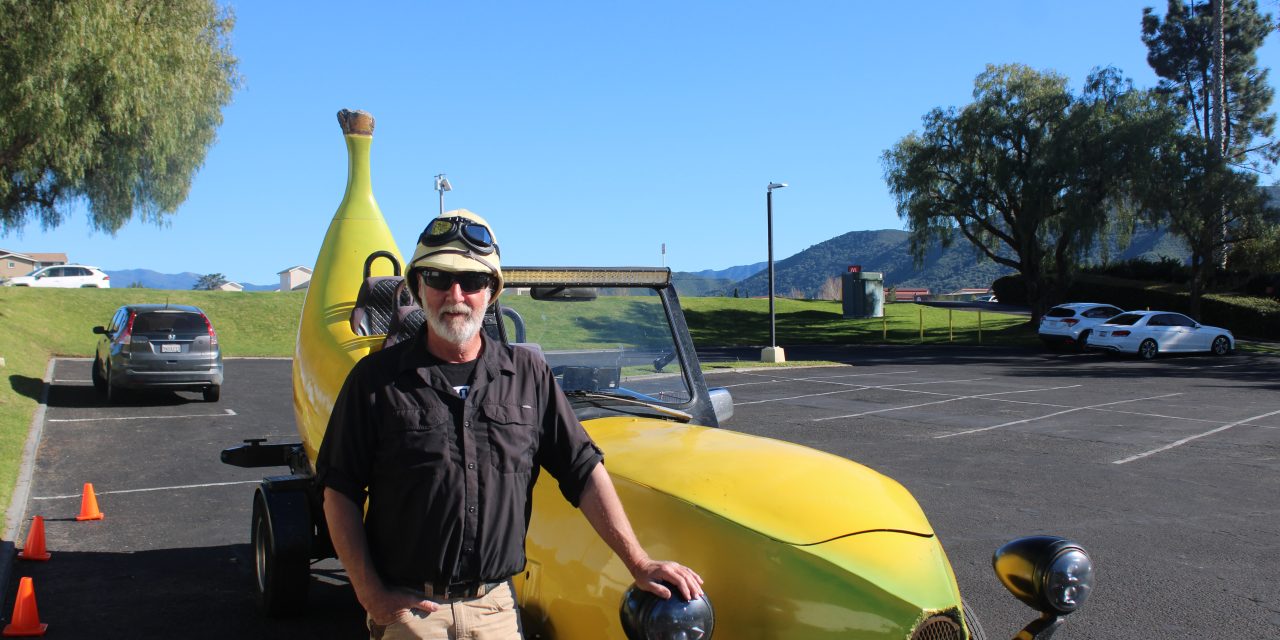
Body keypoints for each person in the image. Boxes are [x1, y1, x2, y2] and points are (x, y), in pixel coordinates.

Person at [316, 210, 703, 640]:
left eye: (473, 281)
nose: (456, 294)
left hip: (495, 611)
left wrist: (639, 562)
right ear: (418, 287)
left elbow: (584, 471)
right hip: (409, 614)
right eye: (440, 278)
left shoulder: (529, 375)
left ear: (492, 292)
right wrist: (371, 594)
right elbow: (340, 492)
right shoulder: (376, 380)